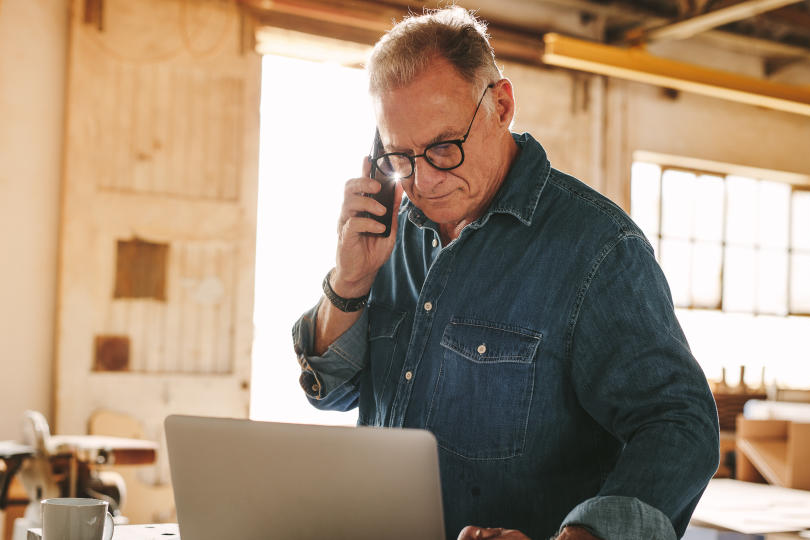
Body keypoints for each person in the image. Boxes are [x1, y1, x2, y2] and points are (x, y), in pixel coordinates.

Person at [291, 6, 719, 540]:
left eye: (444, 147)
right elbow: (329, 393)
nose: (424, 180)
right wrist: (350, 283)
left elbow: (680, 427)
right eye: (400, 157)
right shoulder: (388, 235)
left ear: (501, 104)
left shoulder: (598, 250)